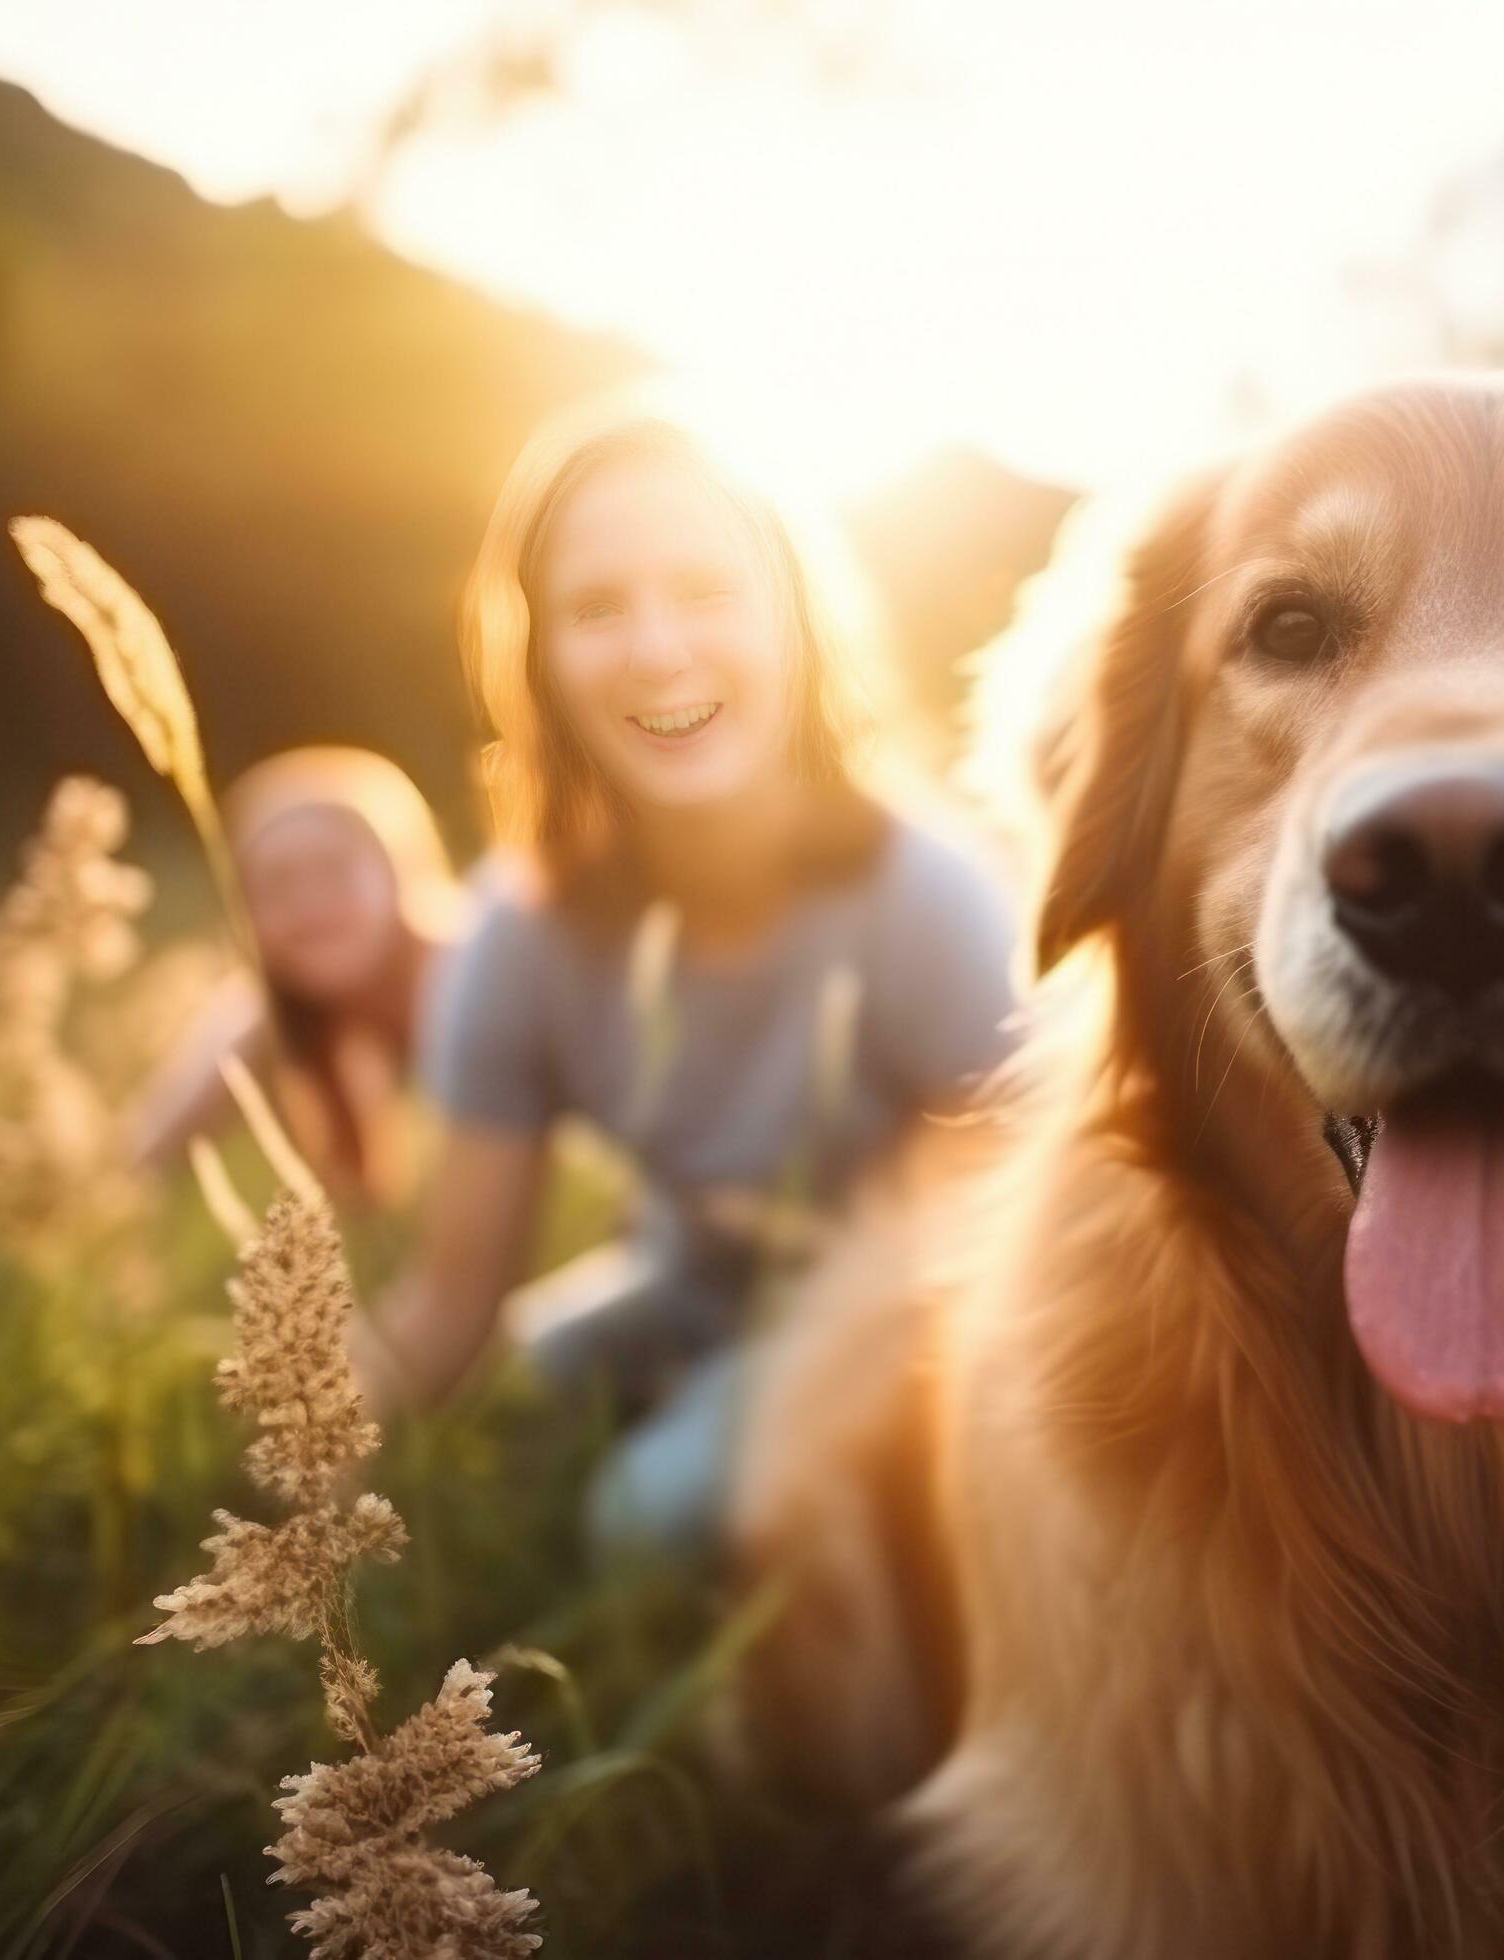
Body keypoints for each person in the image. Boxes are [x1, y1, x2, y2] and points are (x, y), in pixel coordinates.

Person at [363, 404, 1018, 1559]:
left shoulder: (928, 894)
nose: (659, 649)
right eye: (597, 608)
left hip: (906, 1311)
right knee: (516, 1398)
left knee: (640, 1516)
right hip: (687, 1287)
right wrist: (277, 1474)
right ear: (543, 662)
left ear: (794, 621)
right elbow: (450, 1302)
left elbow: (1023, 1249)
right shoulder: (517, 932)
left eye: (707, 592)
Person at [127, 747, 468, 1208]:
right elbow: (138, 1159)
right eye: (277, 883)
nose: (310, 904)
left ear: (398, 873)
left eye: (333, 869)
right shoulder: (259, 1015)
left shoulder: (469, 968)